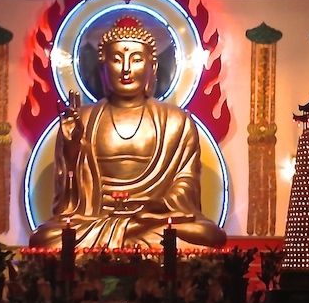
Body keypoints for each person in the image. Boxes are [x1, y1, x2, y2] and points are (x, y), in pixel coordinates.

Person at [29, 16, 226, 249]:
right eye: (116, 59)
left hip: (155, 220)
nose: (125, 69)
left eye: (135, 60)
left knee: (209, 234)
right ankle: (127, 235)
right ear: (103, 68)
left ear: (152, 67)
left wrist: (157, 207)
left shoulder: (177, 121)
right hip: (96, 221)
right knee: (45, 238)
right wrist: (72, 152)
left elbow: (186, 184)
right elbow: (66, 204)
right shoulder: (81, 120)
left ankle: (124, 236)